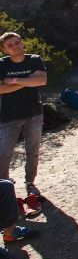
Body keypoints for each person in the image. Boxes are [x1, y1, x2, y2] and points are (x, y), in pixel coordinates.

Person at [0, 33, 47, 198]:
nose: (15, 46)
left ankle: (30, 183)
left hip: (34, 114)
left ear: (22, 43)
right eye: (10, 45)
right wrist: (28, 80)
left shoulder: (34, 59)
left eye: (17, 42)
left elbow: (41, 80)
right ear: (4, 50)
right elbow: (0, 89)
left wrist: (13, 81)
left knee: (32, 151)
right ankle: (4, 188)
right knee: (3, 153)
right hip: (9, 117)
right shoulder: (2, 64)